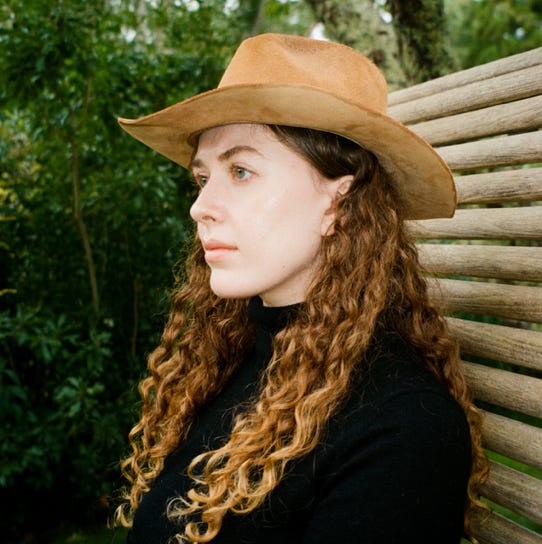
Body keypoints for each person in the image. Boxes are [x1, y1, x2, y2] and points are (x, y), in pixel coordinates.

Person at [115, 33, 487, 543]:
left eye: (241, 171)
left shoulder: (403, 428)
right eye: (203, 178)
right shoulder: (231, 360)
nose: (199, 207)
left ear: (339, 203)